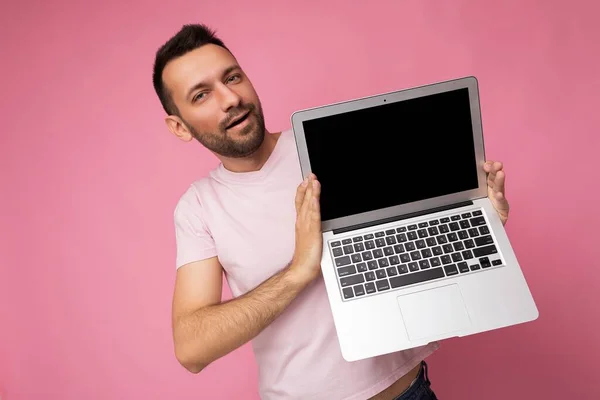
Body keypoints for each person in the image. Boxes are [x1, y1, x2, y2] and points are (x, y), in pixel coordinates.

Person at [152, 24, 511, 400]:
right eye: (202, 95)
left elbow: (405, 240)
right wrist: (298, 273)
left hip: (409, 392)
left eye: (233, 77)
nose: (229, 99)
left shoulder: (329, 145)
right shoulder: (199, 207)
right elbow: (191, 349)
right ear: (179, 127)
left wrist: (486, 222)